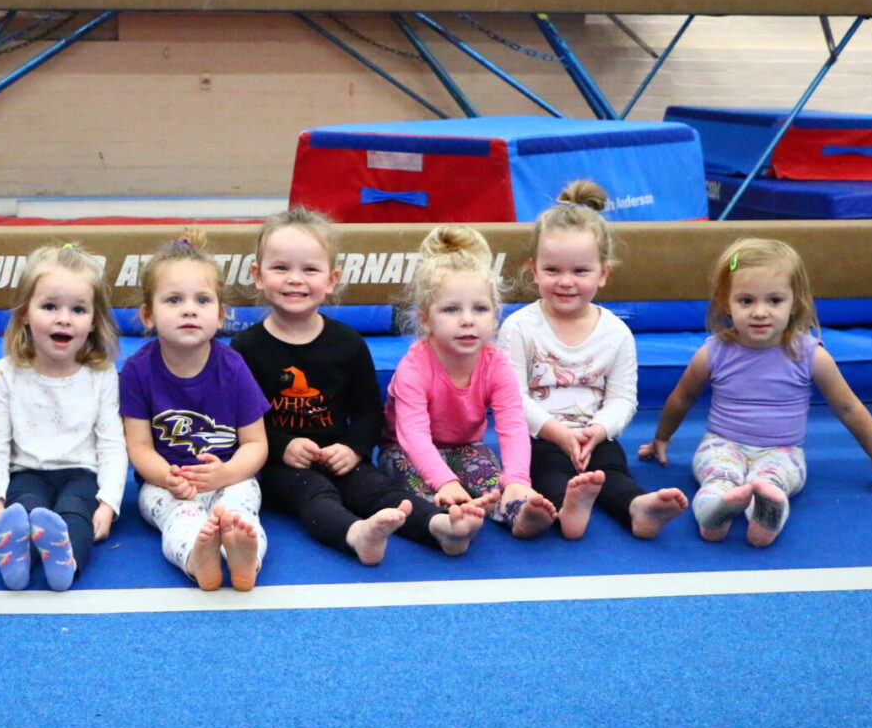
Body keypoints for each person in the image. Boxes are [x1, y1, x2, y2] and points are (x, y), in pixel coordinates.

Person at [230, 209, 491, 565]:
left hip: (341, 456)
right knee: (316, 493)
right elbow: (239, 421)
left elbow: (369, 411)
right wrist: (282, 446)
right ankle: (355, 535)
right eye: (281, 268)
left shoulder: (348, 343)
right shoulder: (246, 349)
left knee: (379, 490)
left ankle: (440, 527)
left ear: (332, 279)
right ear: (257, 276)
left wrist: (353, 449)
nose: (295, 279)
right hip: (279, 466)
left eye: (310, 269)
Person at [638, 237, 872, 546]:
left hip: (783, 450)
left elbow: (849, 408)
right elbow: (681, 397)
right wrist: (661, 438)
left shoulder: (809, 355)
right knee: (718, 479)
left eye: (774, 300)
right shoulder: (715, 352)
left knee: (771, 482)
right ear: (725, 303)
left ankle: (765, 519)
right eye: (746, 301)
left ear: (796, 303)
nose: (760, 312)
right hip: (721, 443)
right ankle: (715, 514)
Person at [495, 180, 690, 539]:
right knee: (548, 469)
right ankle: (567, 507)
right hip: (541, 437)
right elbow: (511, 399)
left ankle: (636, 508)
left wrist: (597, 431)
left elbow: (621, 399)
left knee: (612, 469)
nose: (566, 281)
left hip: (593, 436)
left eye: (580, 271)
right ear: (533, 269)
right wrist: (557, 433)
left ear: (603, 272)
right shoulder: (520, 327)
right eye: (552, 270)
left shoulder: (615, 333)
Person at [379, 224, 557, 538]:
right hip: (404, 450)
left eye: (480, 308)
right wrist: (445, 482)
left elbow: (513, 424)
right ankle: (448, 522)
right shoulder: (415, 368)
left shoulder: (496, 364)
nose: (467, 320)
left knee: (492, 482)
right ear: (425, 318)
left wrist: (518, 480)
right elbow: (414, 436)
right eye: (451, 309)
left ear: (495, 314)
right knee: (416, 484)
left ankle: (515, 513)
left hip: (466, 446)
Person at [120, 231, 269, 591]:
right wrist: (166, 475)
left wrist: (228, 473)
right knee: (180, 519)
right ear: (148, 315)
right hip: (167, 484)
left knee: (239, 515)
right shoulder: (138, 370)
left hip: (229, 475)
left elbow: (256, 443)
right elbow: (138, 446)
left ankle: (246, 557)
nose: (189, 309)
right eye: (173, 300)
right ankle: (196, 558)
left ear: (220, 315)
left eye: (202, 300)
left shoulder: (233, 368)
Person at [0, 243, 125, 591]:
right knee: (25, 510)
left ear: (93, 322)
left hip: (81, 474)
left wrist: (108, 503)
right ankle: (16, 559)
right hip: (27, 472)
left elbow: (112, 445)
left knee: (76, 512)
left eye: (77, 309)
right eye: (49, 306)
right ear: (25, 314)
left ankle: (66, 564)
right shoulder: (8, 372)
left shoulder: (101, 374)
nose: (63, 318)